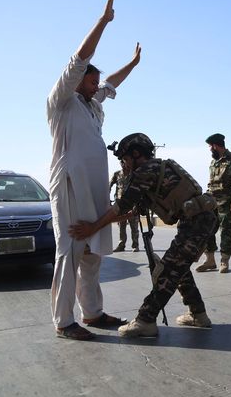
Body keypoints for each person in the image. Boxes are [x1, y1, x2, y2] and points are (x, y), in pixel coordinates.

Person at [47, 0, 141, 340]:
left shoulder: (91, 102)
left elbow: (111, 84)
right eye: (91, 79)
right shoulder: (62, 101)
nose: (96, 84)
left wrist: (132, 64)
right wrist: (103, 22)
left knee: (91, 253)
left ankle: (93, 313)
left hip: (93, 186)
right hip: (69, 184)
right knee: (69, 250)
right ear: (79, 80)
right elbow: (79, 60)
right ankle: (63, 321)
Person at [68, 133, 219, 338]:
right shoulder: (157, 167)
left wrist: (92, 228)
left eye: (125, 159)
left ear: (136, 154)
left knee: (167, 272)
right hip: (201, 219)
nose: (124, 164)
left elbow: (122, 207)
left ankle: (145, 320)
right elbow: (131, 212)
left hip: (196, 223)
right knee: (180, 269)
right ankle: (198, 314)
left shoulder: (145, 171)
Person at [196, 133, 231, 274]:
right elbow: (211, 182)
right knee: (207, 230)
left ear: (215, 146)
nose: (209, 150)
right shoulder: (214, 162)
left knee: (226, 232)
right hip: (212, 202)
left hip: (227, 202)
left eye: (210, 147)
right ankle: (210, 260)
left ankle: (224, 261)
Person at [109, 159, 140, 252]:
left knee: (134, 226)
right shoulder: (117, 174)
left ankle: (135, 245)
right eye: (121, 162)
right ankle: (121, 245)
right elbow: (109, 185)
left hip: (132, 204)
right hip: (120, 204)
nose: (123, 164)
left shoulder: (134, 175)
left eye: (124, 162)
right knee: (121, 226)